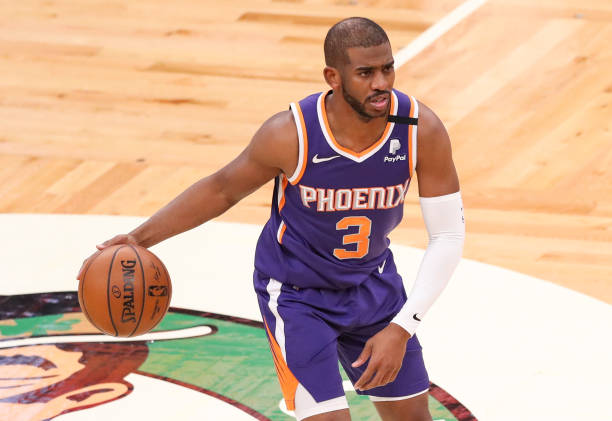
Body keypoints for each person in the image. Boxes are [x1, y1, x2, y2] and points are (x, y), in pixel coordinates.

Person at [78, 17, 465, 421]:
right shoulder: (291, 134)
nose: (382, 83)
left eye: (387, 68)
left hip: (373, 286)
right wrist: (140, 239)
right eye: (365, 73)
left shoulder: (421, 129)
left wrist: (402, 327)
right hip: (299, 297)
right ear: (333, 77)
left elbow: (449, 236)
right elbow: (221, 189)